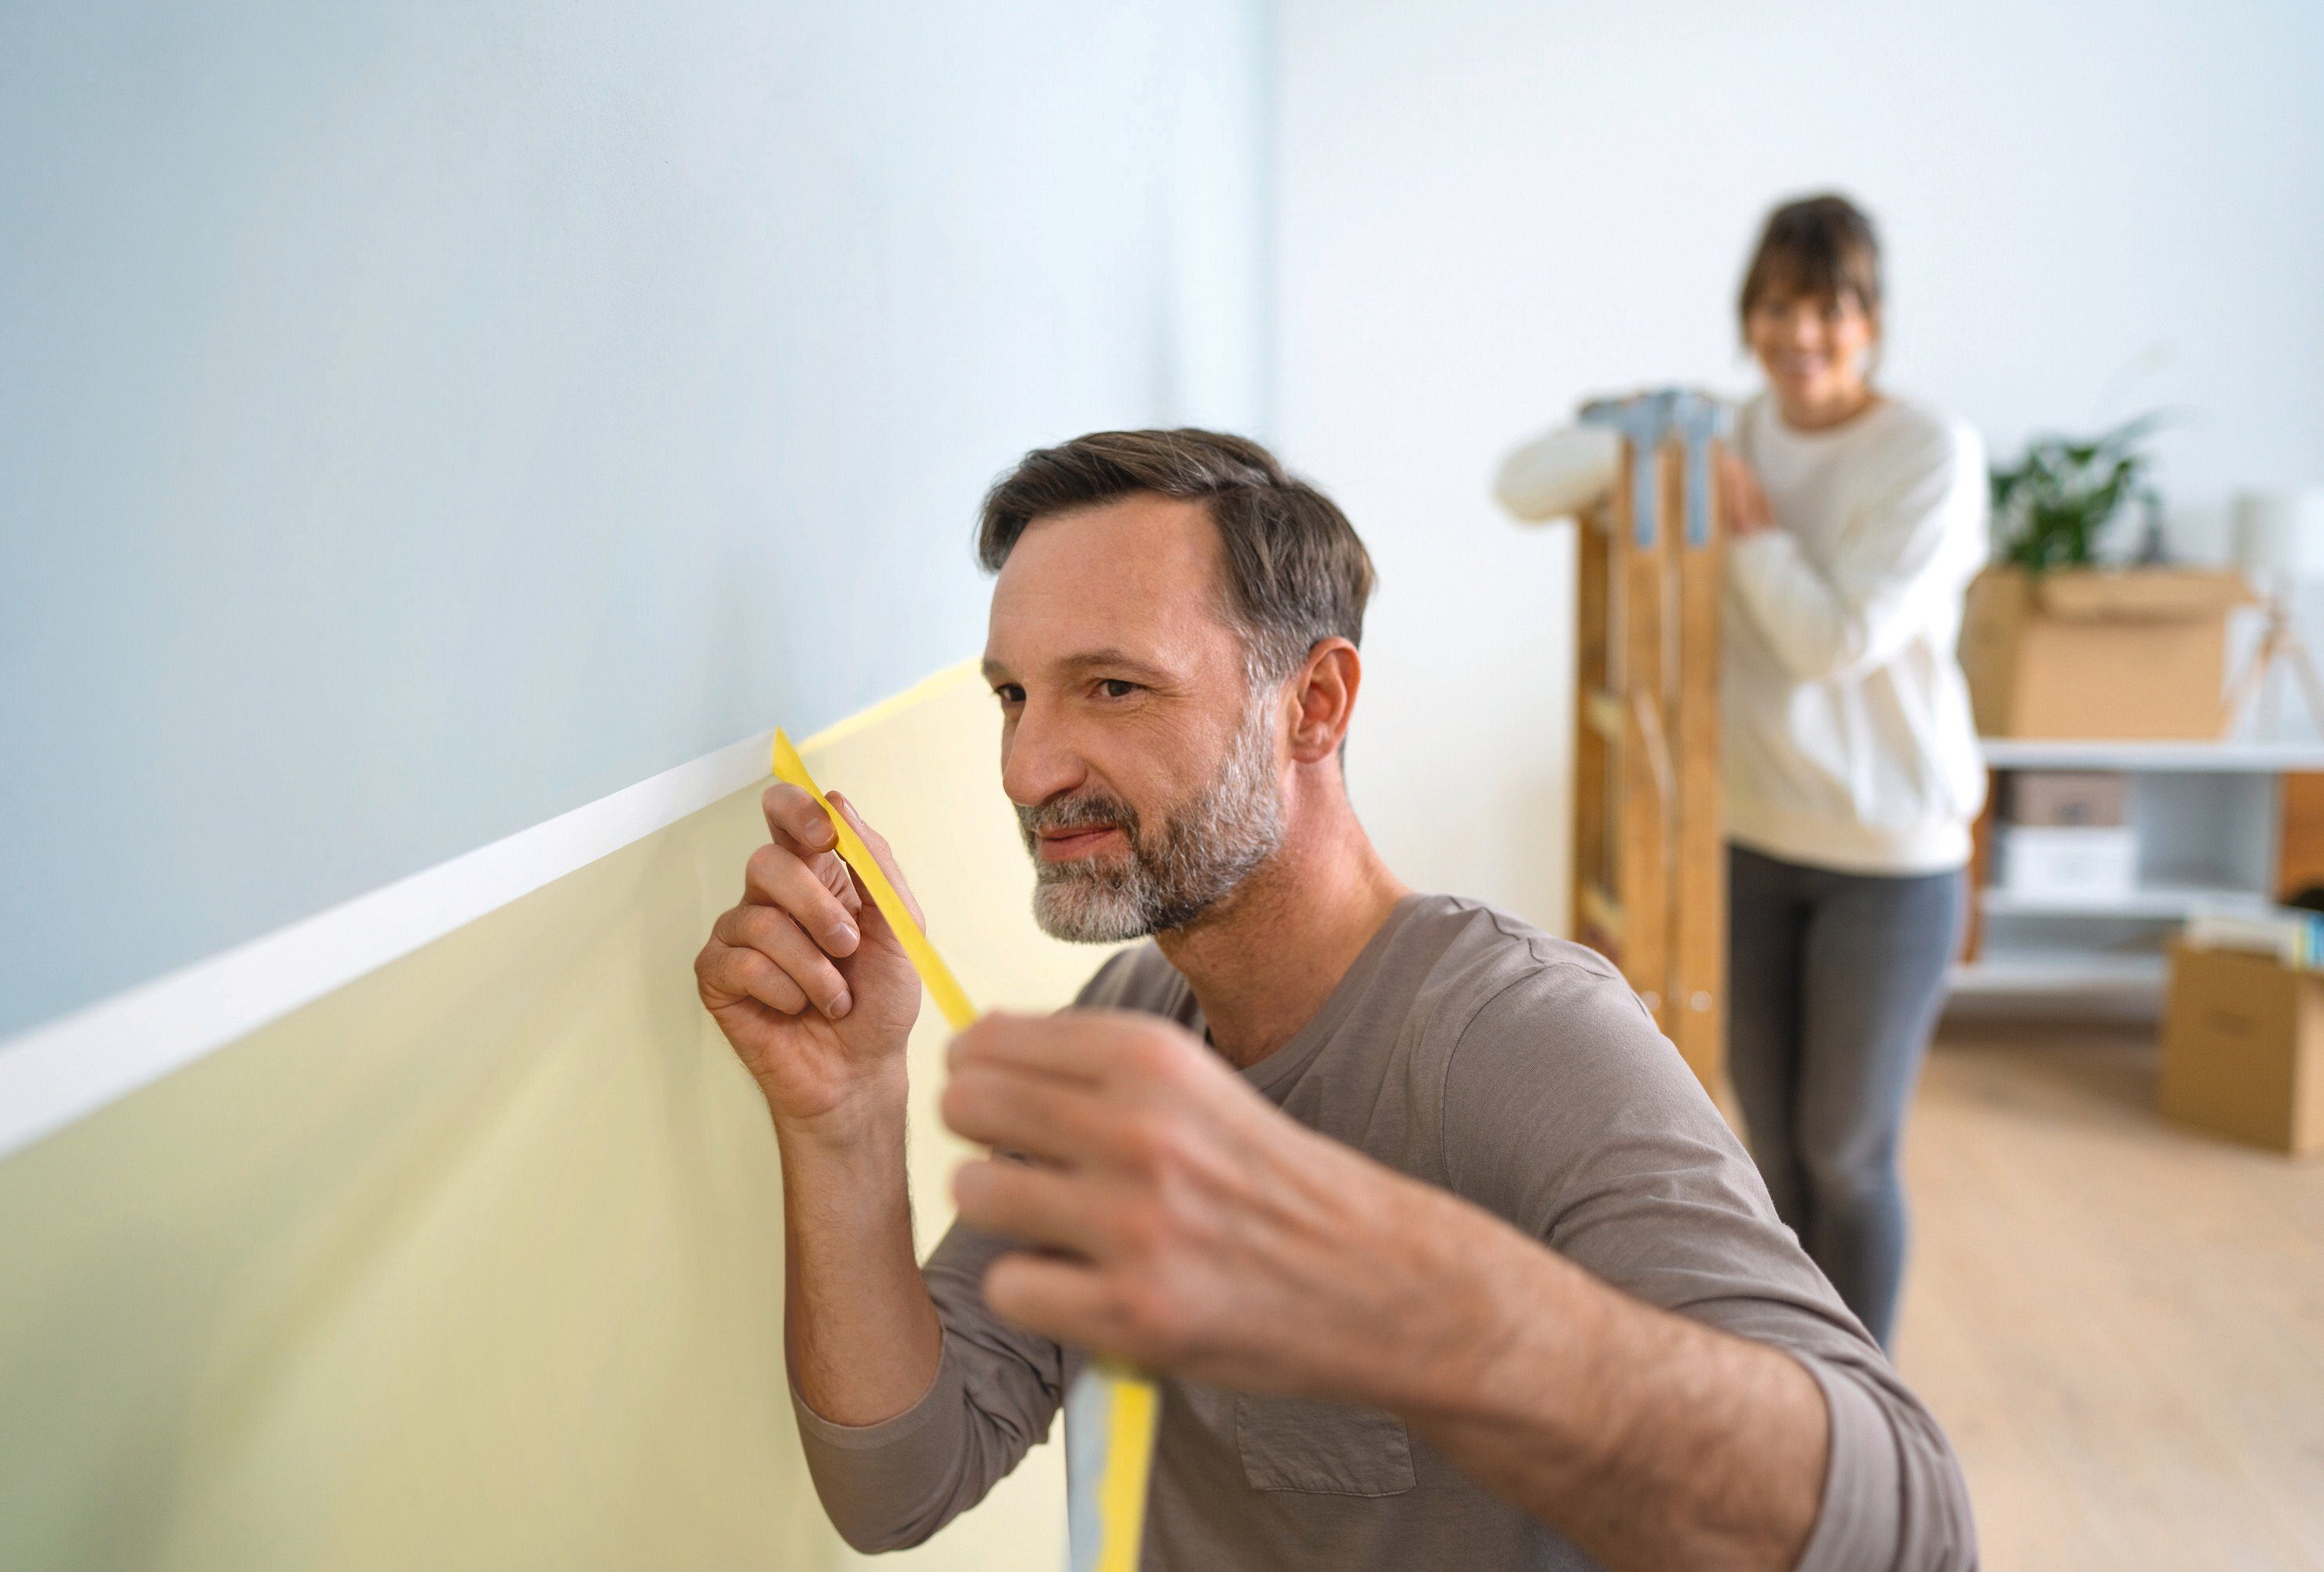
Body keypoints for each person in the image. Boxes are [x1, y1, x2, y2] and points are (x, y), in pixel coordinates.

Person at [694, 430, 1974, 1570]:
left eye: (1114, 687)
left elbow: (1913, 1529)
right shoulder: (1124, 1025)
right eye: (1014, 694)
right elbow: (899, 1482)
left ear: (1312, 704)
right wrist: (845, 1114)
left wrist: (1429, 1311)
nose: (1029, 767)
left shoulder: (1525, 1040)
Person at [1715, 194, 1989, 1350]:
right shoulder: (1739, 431)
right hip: (1757, 835)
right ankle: (1788, 1384)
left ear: (1868, 319)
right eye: (1777, 307)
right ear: (1749, 314)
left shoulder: (1929, 452)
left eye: (1828, 310)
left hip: (1890, 852)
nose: (1801, 336)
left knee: (1848, 1154)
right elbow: (1528, 481)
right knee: (1770, 1152)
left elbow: (1834, 642)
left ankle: (1860, 1403)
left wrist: (1755, 538)